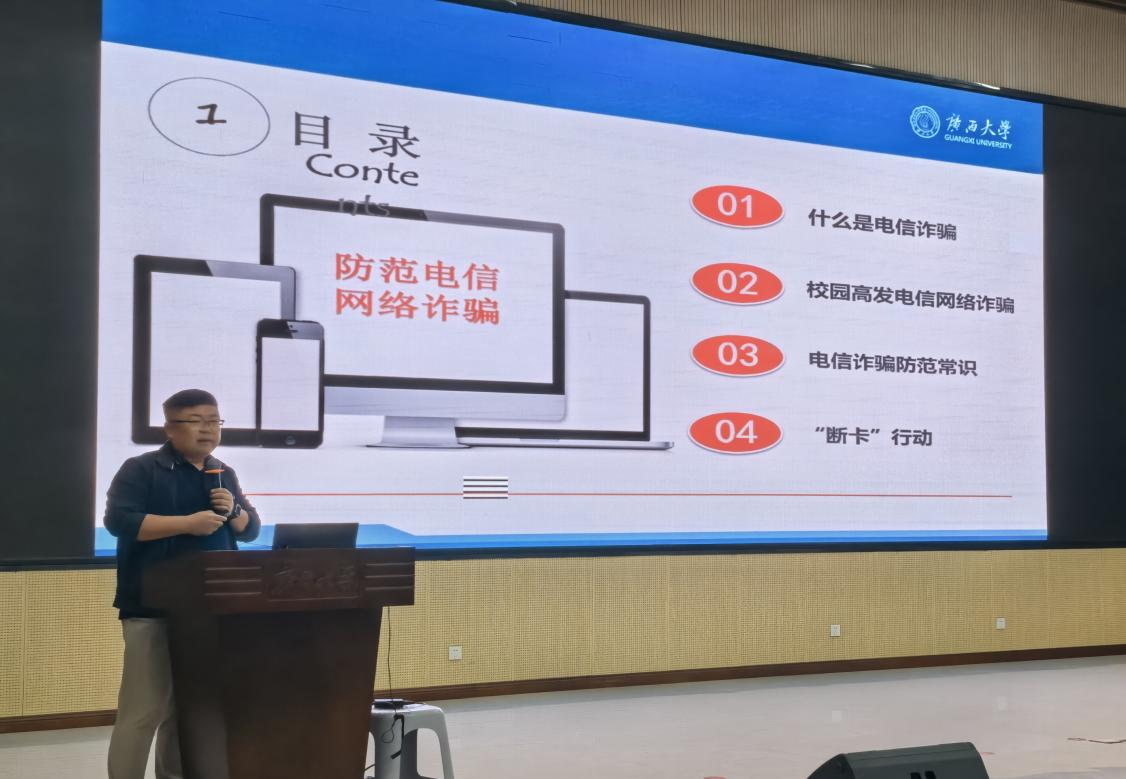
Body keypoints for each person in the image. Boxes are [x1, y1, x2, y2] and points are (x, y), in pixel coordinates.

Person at [104, 388, 261, 779]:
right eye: (195, 421)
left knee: (186, 710)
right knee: (143, 711)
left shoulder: (222, 471)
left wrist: (235, 510)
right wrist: (187, 524)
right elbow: (119, 521)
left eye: (214, 421)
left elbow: (250, 529)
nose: (207, 429)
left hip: (210, 612)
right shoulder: (141, 469)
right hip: (151, 609)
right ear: (170, 428)